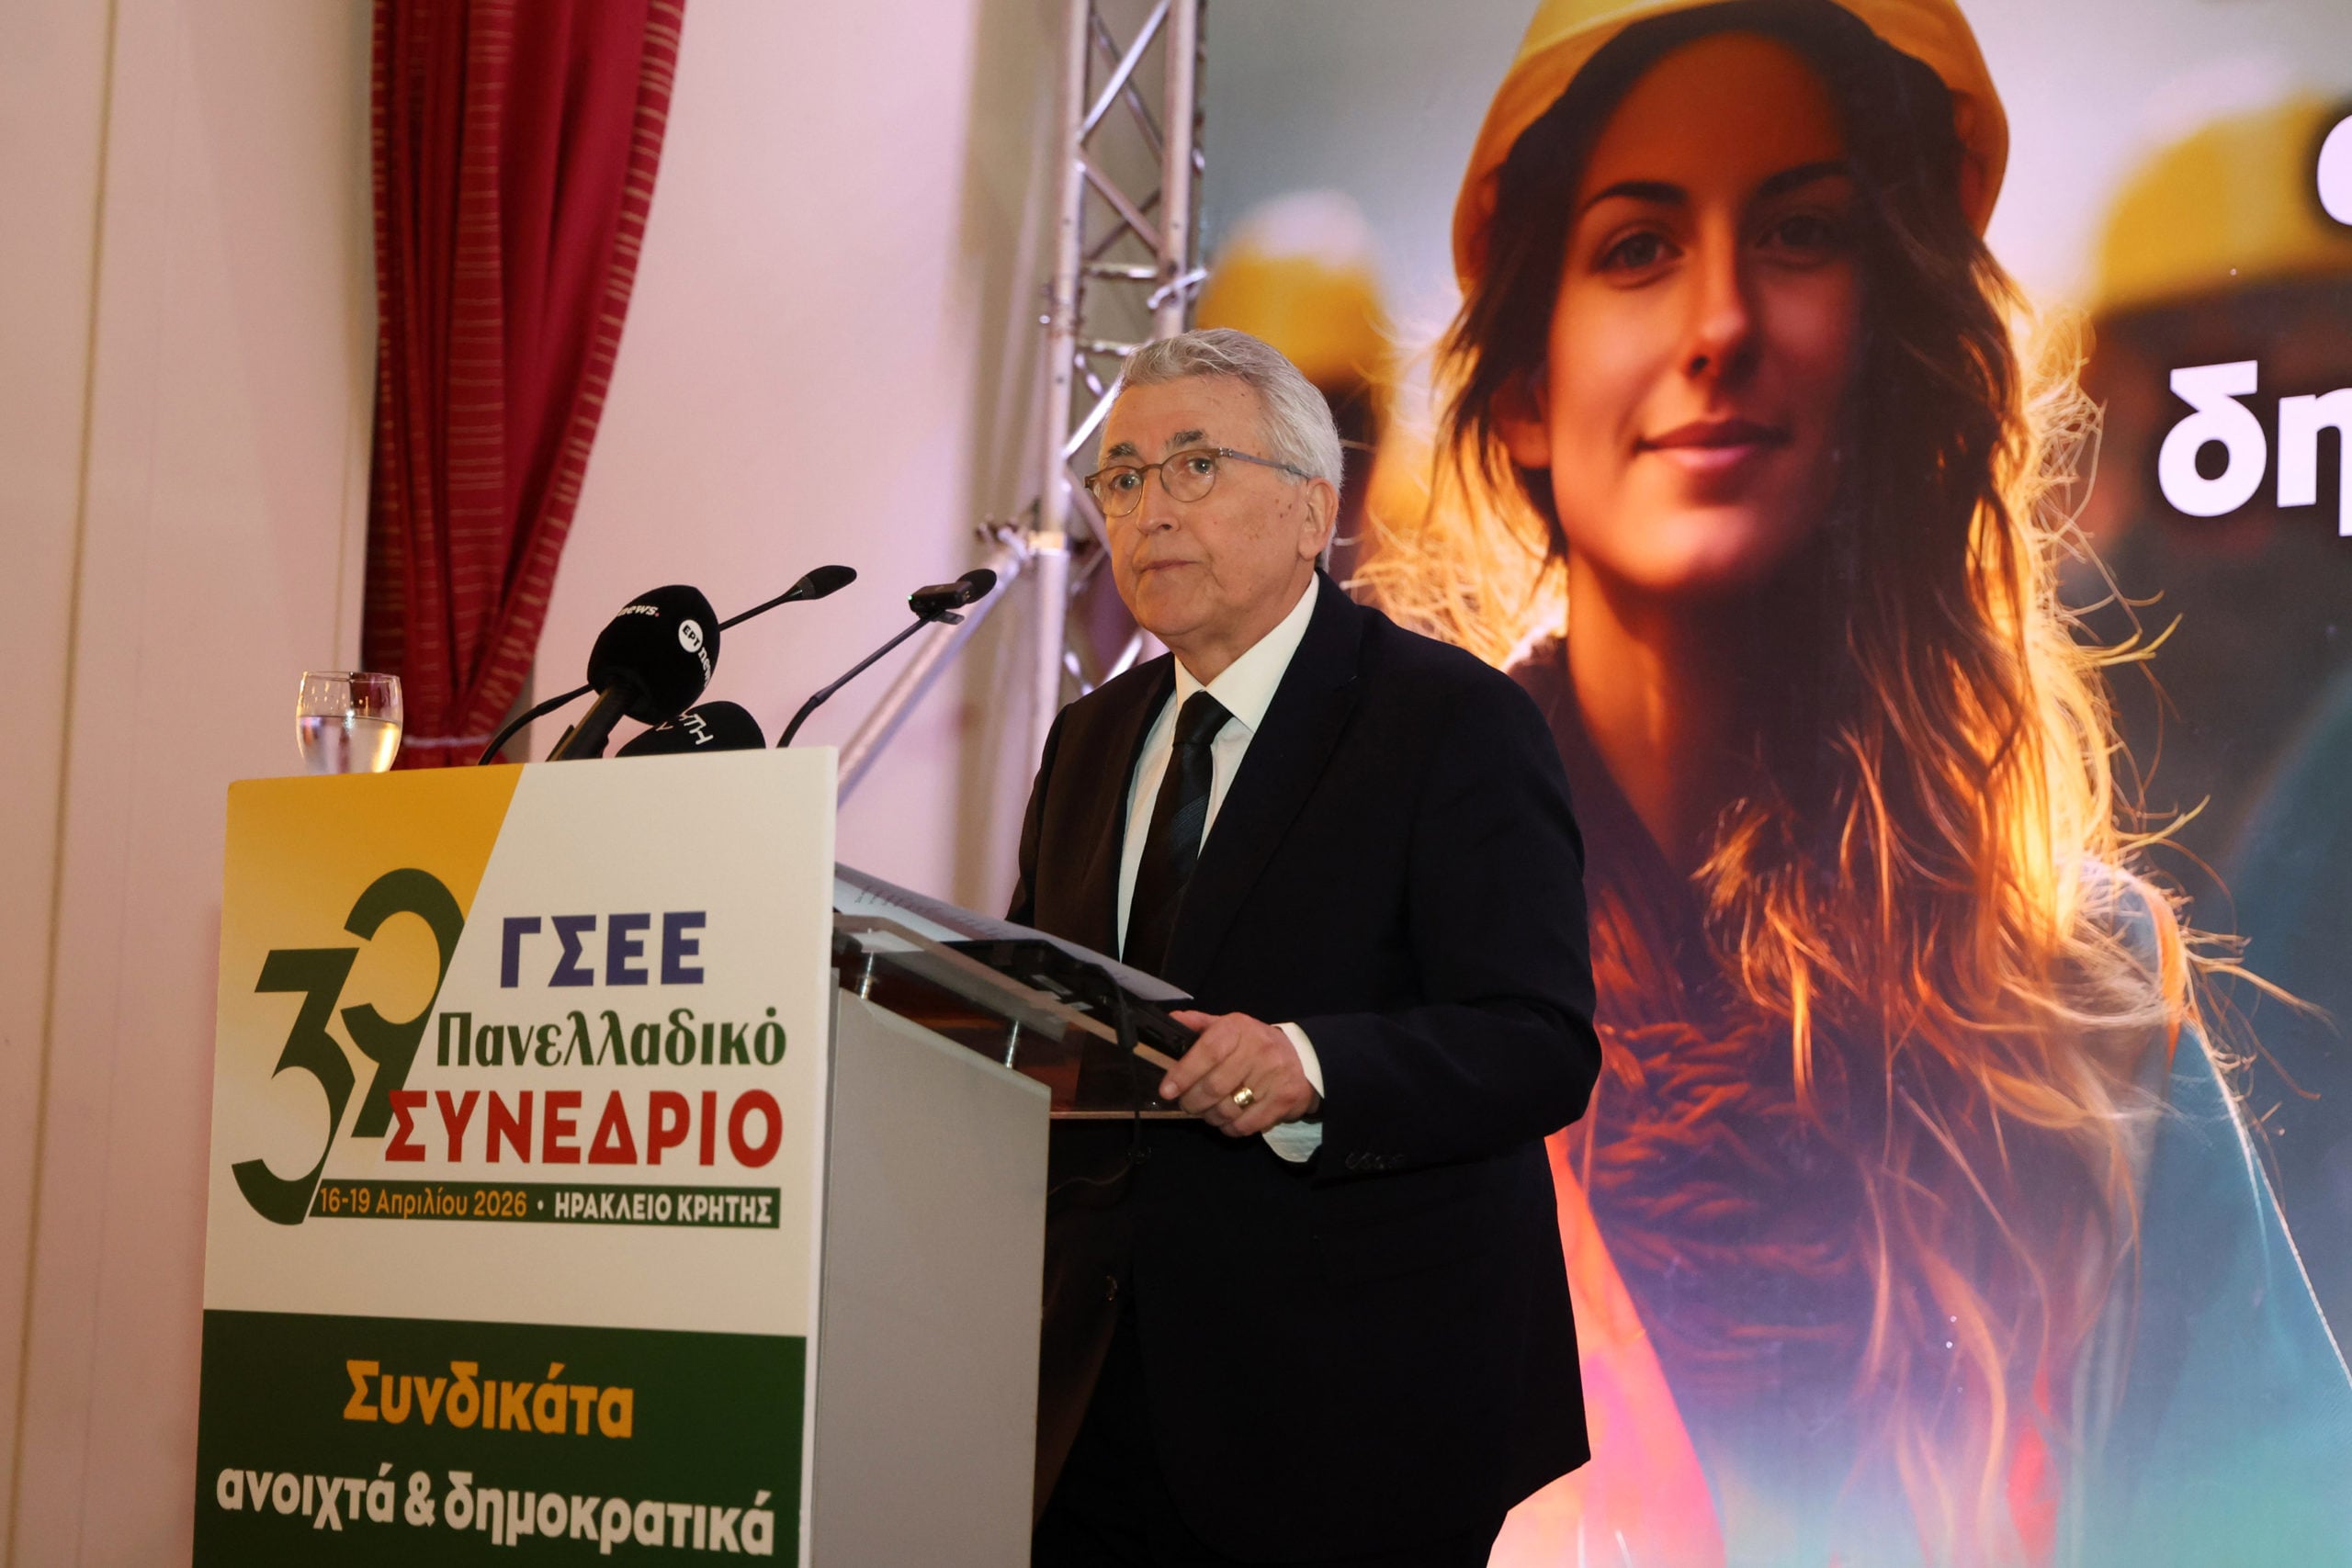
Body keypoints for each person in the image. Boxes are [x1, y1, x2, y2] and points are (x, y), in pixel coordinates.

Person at [1355, 1, 2352, 1562]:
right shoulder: (1354, 948)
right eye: (1637, 247)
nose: (1719, 322)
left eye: (1802, 233)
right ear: (1529, 384)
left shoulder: (2084, 1008)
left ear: (1891, 351)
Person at [1012, 326, 1600, 1566]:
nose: (1149, 510)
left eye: (1194, 466)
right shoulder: (1089, 741)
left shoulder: (1451, 721)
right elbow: (1047, 1015)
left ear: (1312, 511)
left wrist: (1312, 1068)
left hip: (1354, 1408)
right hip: (1091, 1397)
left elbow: (1539, 1043)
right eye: (1122, 478)